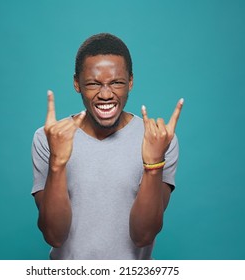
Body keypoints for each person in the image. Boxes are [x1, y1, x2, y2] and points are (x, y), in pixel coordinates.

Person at [31, 33, 184, 259]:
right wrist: (57, 163)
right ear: (77, 84)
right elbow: (54, 236)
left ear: (130, 82)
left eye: (117, 83)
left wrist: (153, 164)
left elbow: (144, 236)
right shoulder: (48, 138)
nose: (105, 94)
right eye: (93, 83)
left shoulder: (158, 139)